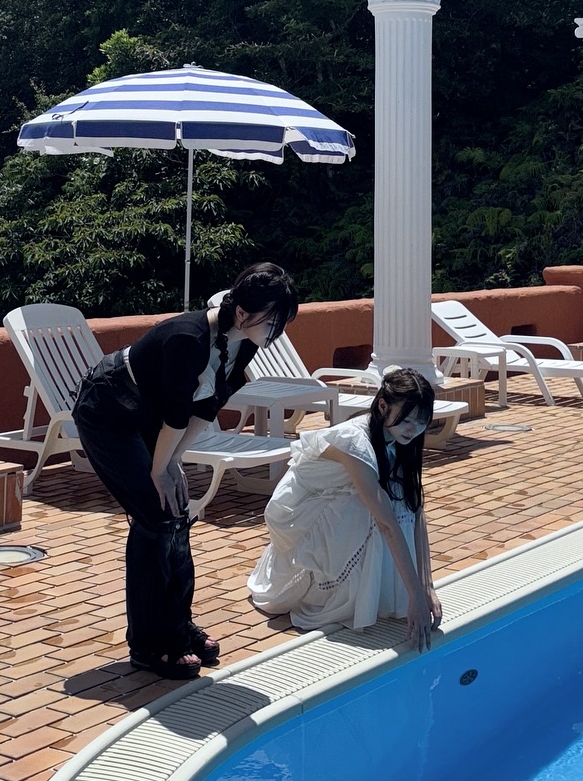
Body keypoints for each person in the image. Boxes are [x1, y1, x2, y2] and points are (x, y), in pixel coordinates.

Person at [72, 261, 300, 679]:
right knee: (155, 517)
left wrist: (172, 461)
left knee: (176, 513)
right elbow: (176, 415)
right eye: (273, 322)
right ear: (243, 312)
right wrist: (160, 469)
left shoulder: (243, 342)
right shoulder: (188, 338)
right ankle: (149, 645)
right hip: (107, 410)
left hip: (147, 414)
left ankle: (177, 625)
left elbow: (206, 407)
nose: (277, 332)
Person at [248, 366, 443, 650]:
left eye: (422, 422)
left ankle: (372, 592)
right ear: (383, 406)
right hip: (298, 514)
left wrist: (426, 586)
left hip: (333, 501)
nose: (413, 430)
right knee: (371, 511)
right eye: (407, 420)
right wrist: (414, 595)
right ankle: (331, 596)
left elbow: (416, 510)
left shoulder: (400, 438)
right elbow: (387, 524)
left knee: (398, 499)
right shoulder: (355, 442)